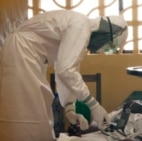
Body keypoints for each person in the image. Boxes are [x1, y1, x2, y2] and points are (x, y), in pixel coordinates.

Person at [0, 10, 128, 141]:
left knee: (35, 115)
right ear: (107, 33)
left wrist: (69, 108)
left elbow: (65, 71)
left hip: (27, 55)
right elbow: (65, 70)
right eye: (107, 47)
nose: (100, 51)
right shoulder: (81, 24)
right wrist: (93, 105)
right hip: (22, 53)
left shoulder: (80, 28)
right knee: (29, 117)